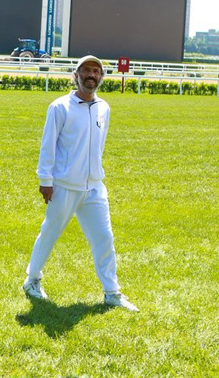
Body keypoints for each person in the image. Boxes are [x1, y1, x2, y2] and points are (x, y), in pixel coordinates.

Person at [21, 55, 138, 311]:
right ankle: (32, 280)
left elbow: (99, 146)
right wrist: (45, 180)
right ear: (76, 75)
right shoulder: (59, 107)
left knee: (104, 239)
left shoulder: (104, 108)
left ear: (101, 78)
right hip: (64, 185)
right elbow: (48, 145)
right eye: (86, 70)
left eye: (96, 71)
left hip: (95, 187)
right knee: (50, 233)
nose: (91, 75)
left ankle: (112, 293)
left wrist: (95, 175)